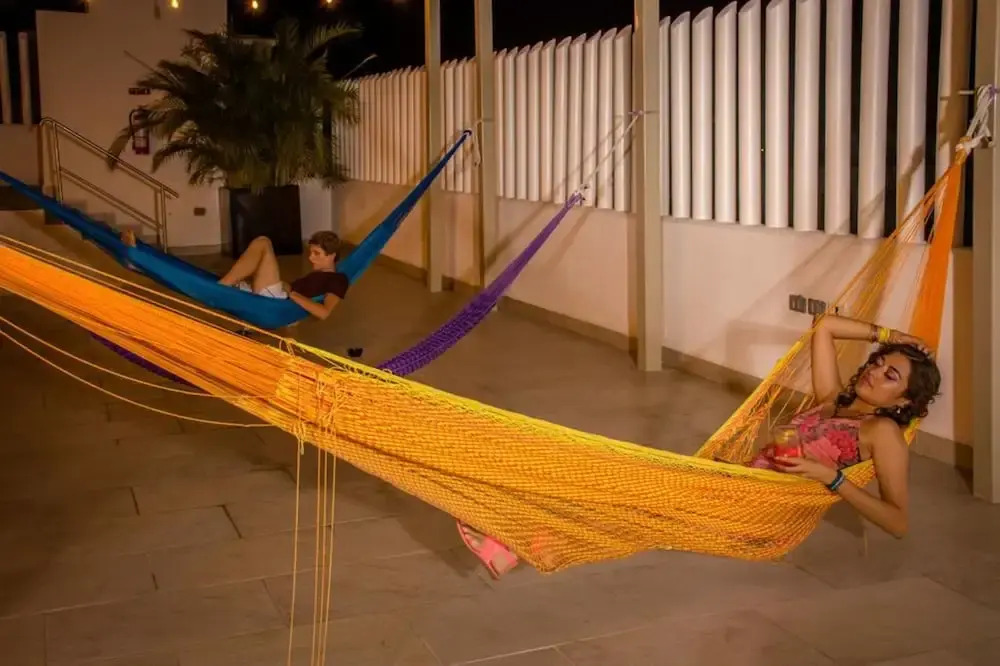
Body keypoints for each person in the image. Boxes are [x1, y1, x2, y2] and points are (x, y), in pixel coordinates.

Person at [457, 313, 942, 579]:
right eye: (878, 362)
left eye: (891, 375)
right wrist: (893, 335)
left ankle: (518, 538)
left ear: (905, 400)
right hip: (735, 484)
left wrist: (832, 479)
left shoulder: (882, 434)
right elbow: (826, 326)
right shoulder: (832, 399)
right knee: (628, 493)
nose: (875, 372)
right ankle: (525, 542)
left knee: (633, 493)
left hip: (760, 513)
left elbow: (898, 522)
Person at [122, 229, 349, 321]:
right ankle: (139, 260)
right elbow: (298, 293)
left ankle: (220, 288)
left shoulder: (338, 280)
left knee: (263, 242)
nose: (311, 258)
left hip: (274, 302)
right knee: (196, 276)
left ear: (332, 256)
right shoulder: (318, 276)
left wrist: (292, 294)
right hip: (273, 296)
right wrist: (287, 288)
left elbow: (324, 312)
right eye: (311, 252)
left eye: (317, 254)